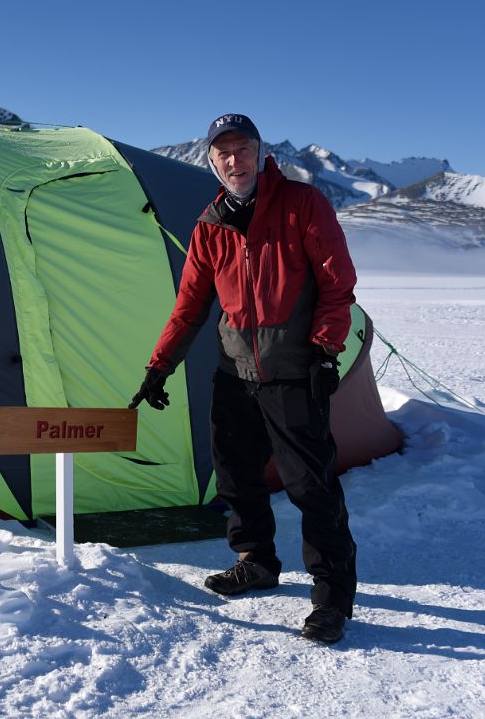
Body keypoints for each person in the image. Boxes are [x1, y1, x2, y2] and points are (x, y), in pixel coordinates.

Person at [129, 113, 359, 645]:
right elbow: (189, 306)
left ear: (260, 152)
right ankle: (255, 561)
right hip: (235, 372)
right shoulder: (210, 224)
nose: (234, 162)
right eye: (222, 154)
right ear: (211, 161)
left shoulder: (302, 205)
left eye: (242, 150)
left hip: (293, 371)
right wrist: (158, 366)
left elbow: (337, 285)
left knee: (311, 486)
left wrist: (326, 351)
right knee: (235, 474)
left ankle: (331, 598)